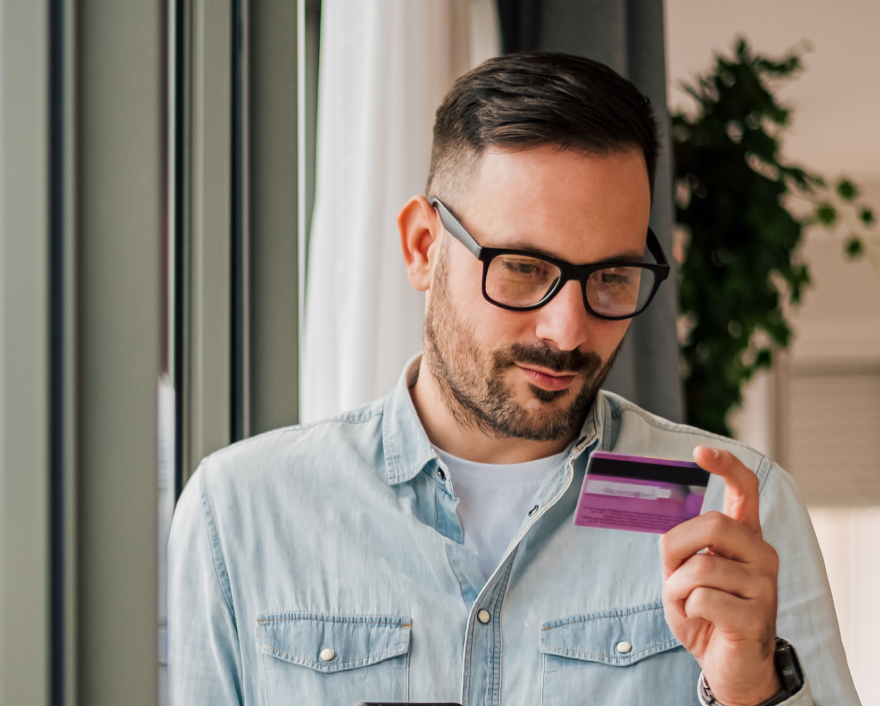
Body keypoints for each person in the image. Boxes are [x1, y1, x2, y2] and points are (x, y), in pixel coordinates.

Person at [167, 53, 859, 706]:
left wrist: (752, 692)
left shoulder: (728, 507)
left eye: (610, 278)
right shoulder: (240, 513)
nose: (566, 331)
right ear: (422, 249)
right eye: (523, 269)